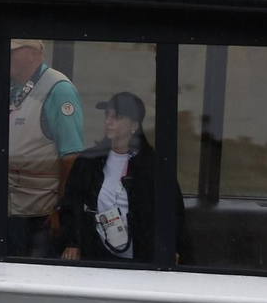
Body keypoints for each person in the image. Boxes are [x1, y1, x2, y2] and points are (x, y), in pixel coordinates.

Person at [61, 92, 182, 263]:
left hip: (142, 259)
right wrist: (73, 243)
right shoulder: (90, 161)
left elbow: (172, 209)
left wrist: (172, 247)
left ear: (134, 125)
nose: (108, 121)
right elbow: (72, 203)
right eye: (107, 115)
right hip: (97, 256)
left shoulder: (152, 165)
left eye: (117, 117)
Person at [6, 38, 85, 259]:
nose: (7, 56)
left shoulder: (58, 90)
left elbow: (71, 158)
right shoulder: (13, 86)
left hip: (40, 217)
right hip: (12, 209)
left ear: (33, 53)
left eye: (13, 51)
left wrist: (60, 209)